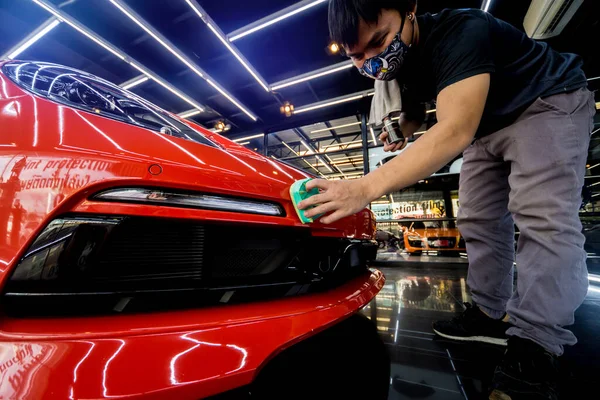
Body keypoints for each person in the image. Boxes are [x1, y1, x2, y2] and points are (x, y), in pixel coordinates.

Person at [298, 1, 596, 399]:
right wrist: (402, 126)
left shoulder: (462, 29)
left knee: (543, 218)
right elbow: (420, 110)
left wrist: (365, 187)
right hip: (486, 126)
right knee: (475, 217)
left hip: (545, 101)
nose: (371, 61)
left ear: (410, 9)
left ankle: (537, 342)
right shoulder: (402, 64)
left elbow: (455, 129)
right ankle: (491, 314)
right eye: (356, 55)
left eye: (378, 41)